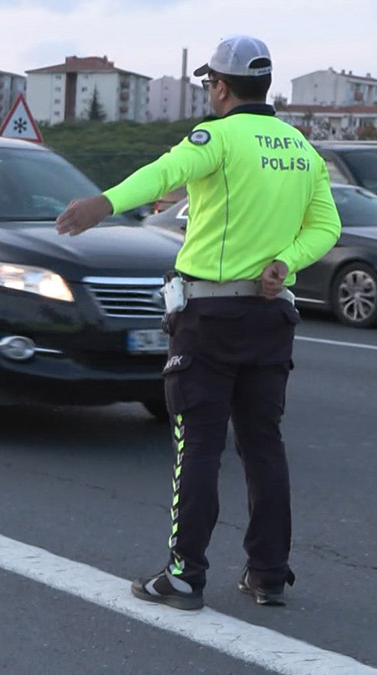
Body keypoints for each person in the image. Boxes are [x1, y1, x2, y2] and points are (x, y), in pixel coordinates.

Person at [55, 35, 341, 611]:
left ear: (221, 86)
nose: (210, 91)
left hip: (209, 317)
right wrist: (285, 263)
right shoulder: (301, 149)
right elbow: (326, 226)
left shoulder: (218, 138)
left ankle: (185, 574)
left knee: (200, 447)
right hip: (270, 317)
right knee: (263, 446)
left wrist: (102, 204)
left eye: (210, 82)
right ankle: (268, 573)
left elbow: (164, 173)